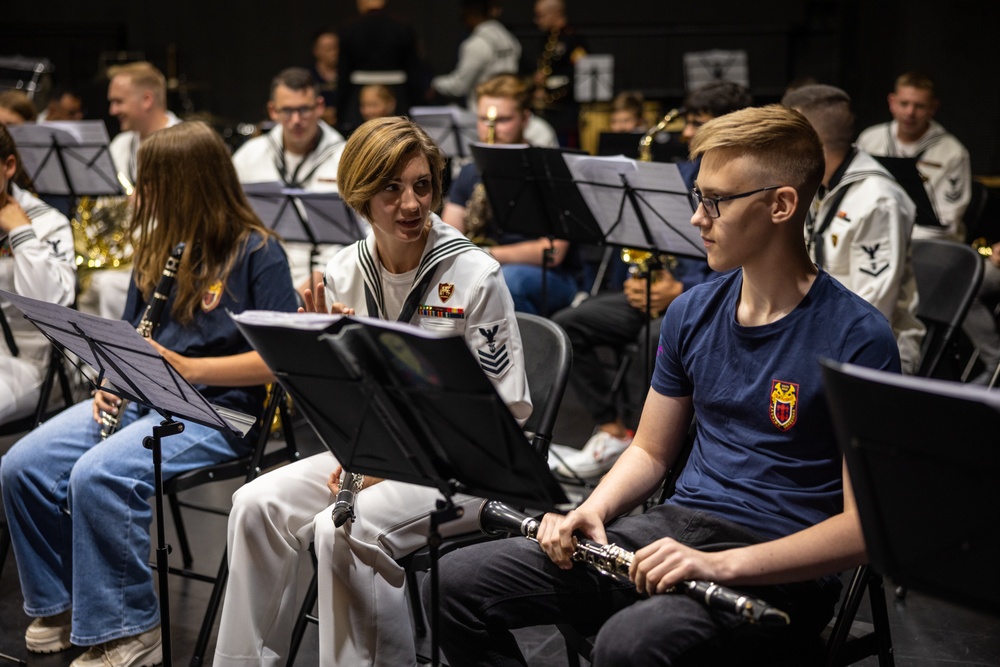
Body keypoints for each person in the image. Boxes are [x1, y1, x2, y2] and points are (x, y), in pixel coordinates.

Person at [431, 104, 901, 666]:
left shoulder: (858, 337)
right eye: (697, 196)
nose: (697, 218)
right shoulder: (691, 312)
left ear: (782, 205)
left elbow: (863, 529)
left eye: (716, 201)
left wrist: (717, 565)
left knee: (633, 643)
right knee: (453, 581)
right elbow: (651, 450)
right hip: (673, 531)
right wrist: (594, 508)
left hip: (775, 569)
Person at [213, 116, 530, 667]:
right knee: (254, 503)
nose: (412, 204)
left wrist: (389, 461)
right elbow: (340, 404)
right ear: (359, 195)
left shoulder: (474, 275)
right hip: (374, 451)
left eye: (423, 185)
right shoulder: (343, 271)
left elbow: (502, 415)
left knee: (343, 526)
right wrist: (316, 364)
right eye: (391, 188)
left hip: (471, 464)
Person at [0, 120, 298, 667]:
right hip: (145, 398)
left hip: (220, 412)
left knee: (99, 474)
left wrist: (190, 367)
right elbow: (131, 337)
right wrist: (111, 377)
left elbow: (278, 363)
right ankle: (63, 602)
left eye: (150, 183)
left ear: (187, 183)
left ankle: (132, 630)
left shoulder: (258, 252)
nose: (139, 195)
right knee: (23, 464)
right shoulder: (162, 245)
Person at [548, 80, 752, 480]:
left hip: (705, 299)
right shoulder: (676, 173)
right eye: (689, 122)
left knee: (655, 337)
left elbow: (741, 272)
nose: (688, 132)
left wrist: (679, 291)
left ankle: (647, 445)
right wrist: (640, 279)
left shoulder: (743, 184)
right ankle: (613, 431)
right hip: (662, 290)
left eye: (698, 122)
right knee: (570, 324)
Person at [783, 83, 924, 374]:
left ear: (808, 141)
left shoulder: (878, 201)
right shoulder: (816, 184)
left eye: (786, 135)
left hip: (874, 353)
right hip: (817, 333)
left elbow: (872, 314)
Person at [443, 74, 581, 315]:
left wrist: (487, 255)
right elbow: (448, 234)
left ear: (525, 118)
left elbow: (553, 253)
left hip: (549, 276)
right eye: (484, 119)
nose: (491, 129)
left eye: (503, 120)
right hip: (484, 266)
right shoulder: (469, 170)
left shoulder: (552, 171)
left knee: (506, 281)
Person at [76, 62, 181, 322]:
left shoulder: (184, 141)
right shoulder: (122, 144)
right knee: (88, 289)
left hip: (169, 255)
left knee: (108, 288)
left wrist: (158, 204)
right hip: (126, 257)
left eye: (119, 102)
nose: (113, 110)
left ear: (147, 99)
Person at [231, 67, 347, 294]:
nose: (296, 120)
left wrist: (321, 276)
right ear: (272, 110)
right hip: (259, 273)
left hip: (328, 280)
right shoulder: (249, 156)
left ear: (320, 107)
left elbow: (362, 234)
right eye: (287, 111)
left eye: (304, 109)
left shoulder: (345, 158)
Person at [0, 123, 76, 424]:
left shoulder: (48, 223)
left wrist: (21, 233)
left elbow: (51, 306)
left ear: (8, 166)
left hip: (34, 363)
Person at [856, 71, 971, 242]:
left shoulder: (953, 153)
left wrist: (892, 236)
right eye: (904, 103)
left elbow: (947, 222)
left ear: (933, 107)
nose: (910, 112)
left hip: (930, 244)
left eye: (919, 106)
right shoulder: (870, 139)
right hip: (874, 234)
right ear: (892, 102)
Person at [336, 0, 423, 134]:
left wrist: (340, 112)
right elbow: (414, 72)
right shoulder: (403, 26)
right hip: (398, 97)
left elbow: (343, 73)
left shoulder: (350, 27)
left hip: (358, 98)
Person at [430, 0, 521, 113]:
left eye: (464, 16)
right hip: (509, 107)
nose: (463, 22)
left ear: (473, 13)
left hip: (484, 111)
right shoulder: (509, 38)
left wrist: (436, 84)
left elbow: (459, 86)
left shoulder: (475, 44)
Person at [530, 0, 587, 147]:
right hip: (548, 112)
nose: (536, 20)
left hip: (565, 112)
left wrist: (550, 94)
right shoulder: (546, 38)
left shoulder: (572, 39)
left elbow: (579, 78)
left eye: (540, 15)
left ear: (554, 13)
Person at [309, 28, 340, 127]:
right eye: (328, 48)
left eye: (336, 47)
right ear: (316, 51)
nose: (334, 52)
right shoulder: (308, 78)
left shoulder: (348, 77)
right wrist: (321, 113)